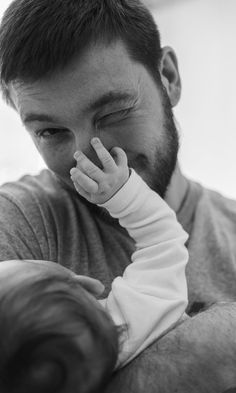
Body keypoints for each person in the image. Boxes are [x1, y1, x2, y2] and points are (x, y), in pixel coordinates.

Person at [0, 0, 236, 391]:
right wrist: (201, 352)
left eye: (112, 114)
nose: (90, 155)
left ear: (169, 77)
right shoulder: (17, 223)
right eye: (51, 132)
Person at [0, 139, 188, 393]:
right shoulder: (141, 310)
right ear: (85, 283)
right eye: (25, 263)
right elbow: (163, 238)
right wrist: (121, 193)